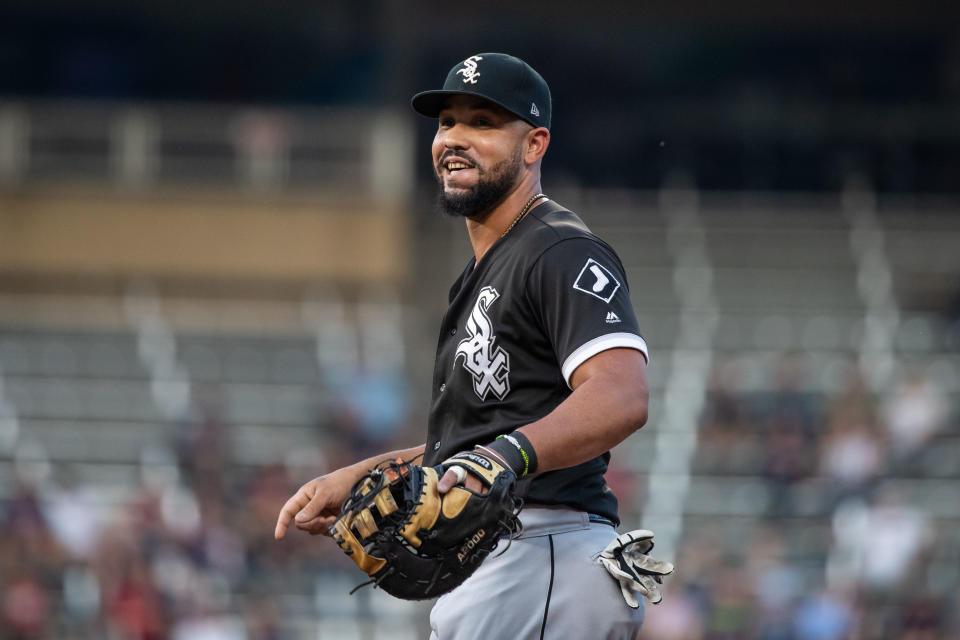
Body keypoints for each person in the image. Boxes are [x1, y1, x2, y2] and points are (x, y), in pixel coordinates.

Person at [276, 52, 652, 639]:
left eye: (482, 122)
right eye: (447, 121)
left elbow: (621, 394)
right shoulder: (482, 274)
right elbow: (477, 443)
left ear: (534, 145)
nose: (454, 138)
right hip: (517, 563)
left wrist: (501, 458)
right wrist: (364, 474)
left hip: (545, 554)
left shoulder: (559, 249)